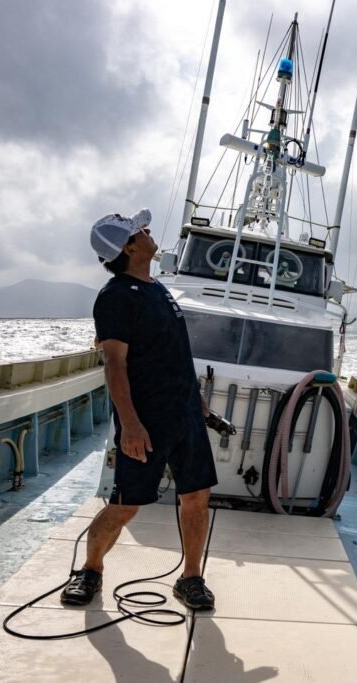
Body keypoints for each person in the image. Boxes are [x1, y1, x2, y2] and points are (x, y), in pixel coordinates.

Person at [61, 209, 218, 610]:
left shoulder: (158, 288)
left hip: (185, 415)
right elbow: (114, 364)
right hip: (147, 422)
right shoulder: (116, 297)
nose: (149, 232)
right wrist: (130, 425)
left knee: (197, 496)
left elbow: (175, 351)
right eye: (141, 231)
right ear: (129, 248)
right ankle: (90, 570)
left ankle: (191, 578)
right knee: (126, 504)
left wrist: (197, 401)